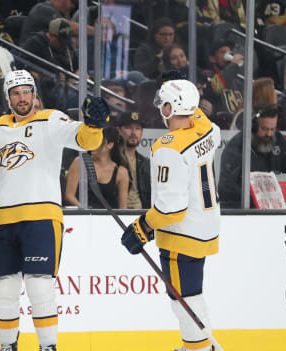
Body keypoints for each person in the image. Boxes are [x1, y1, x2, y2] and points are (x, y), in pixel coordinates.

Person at [0, 70, 107, 351]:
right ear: (8, 98)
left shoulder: (51, 120)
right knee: (4, 289)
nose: (22, 98)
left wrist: (94, 125)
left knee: (40, 287)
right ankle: (6, 346)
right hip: (4, 220)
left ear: (35, 94)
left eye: (27, 91)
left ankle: (48, 347)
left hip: (41, 218)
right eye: (16, 93)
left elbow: (84, 140)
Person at [120, 79, 221, 351]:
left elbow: (171, 208)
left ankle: (198, 348)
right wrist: (186, 93)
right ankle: (199, 347)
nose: (160, 109)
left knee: (183, 298)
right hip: (205, 226)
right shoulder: (208, 129)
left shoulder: (168, 147)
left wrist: (142, 228)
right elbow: (197, 114)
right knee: (192, 292)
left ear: (168, 107)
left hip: (181, 233)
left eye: (163, 104)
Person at [219, 104, 286, 208]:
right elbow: (226, 188)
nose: (269, 134)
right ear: (255, 126)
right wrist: (254, 197)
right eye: (265, 129)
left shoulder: (279, 141)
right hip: (245, 212)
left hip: (277, 210)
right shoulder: (237, 147)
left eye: (273, 129)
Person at [64, 126, 128, 209]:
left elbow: (123, 208)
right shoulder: (80, 162)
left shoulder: (121, 172)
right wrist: (87, 211)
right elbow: (69, 195)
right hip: (83, 217)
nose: (93, 145)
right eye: (93, 140)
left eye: (98, 141)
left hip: (109, 219)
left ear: (110, 145)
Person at [117, 111, 151, 209]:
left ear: (142, 132)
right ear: (119, 130)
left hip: (141, 215)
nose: (133, 132)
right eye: (128, 128)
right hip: (116, 214)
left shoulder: (146, 163)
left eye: (137, 128)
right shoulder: (112, 159)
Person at [204, 40, 244, 116]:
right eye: (223, 52)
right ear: (212, 59)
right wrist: (234, 64)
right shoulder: (206, 76)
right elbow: (216, 86)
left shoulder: (236, 81)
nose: (227, 55)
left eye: (229, 52)